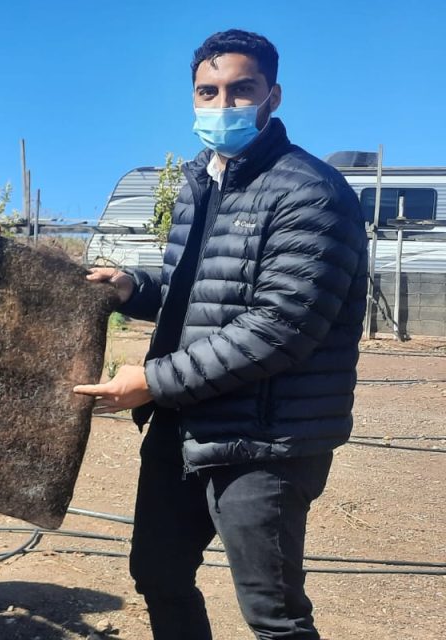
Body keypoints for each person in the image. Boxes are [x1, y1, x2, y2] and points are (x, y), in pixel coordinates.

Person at [73, 30, 367, 640]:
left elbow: (280, 327)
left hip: (264, 437)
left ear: (273, 96)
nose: (223, 104)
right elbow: (205, 290)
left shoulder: (309, 191)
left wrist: (151, 380)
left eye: (242, 90)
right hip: (187, 421)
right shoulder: (204, 183)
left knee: (273, 613)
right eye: (208, 92)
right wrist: (135, 286)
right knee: (157, 574)